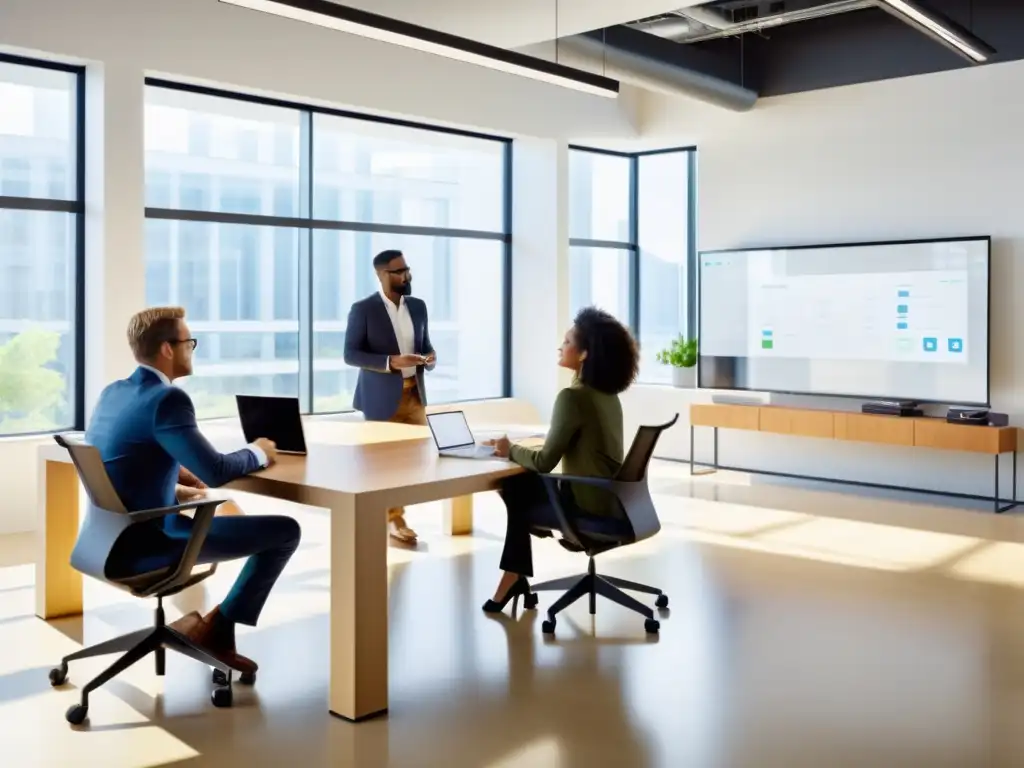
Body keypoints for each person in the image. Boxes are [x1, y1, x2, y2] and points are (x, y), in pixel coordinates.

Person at [85, 307, 302, 675]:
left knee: (235, 514)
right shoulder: (168, 400)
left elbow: (127, 459)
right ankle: (218, 628)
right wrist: (258, 453)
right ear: (168, 349)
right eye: (189, 342)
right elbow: (215, 471)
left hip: (102, 540)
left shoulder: (114, 392)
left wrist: (174, 483)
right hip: (150, 542)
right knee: (285, 532)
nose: (192, 349)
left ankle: (214, 626)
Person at [481, 306, 639, 613]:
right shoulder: (606, 395)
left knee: (515, 486)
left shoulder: (573, 397)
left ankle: (513, 576)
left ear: (583, 355)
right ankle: (513, 576)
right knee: (520, 490)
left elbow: (544, 463)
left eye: (567, 341)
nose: (560, 346)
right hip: (615, 501)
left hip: (589, 506)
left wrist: (508, 448)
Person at [343, 249, 436, 544]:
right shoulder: (364, 309)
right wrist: (391, 362)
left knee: (414, 461)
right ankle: (394, 519)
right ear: (381, 274)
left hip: (415, 396)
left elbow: (426, 345)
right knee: (382, 464)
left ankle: (392, 514)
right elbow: (350, 354)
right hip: (381, 398)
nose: (406, 276)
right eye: (398, 271)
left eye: (407, 270)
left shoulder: (418, 307)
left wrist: (430, 358)